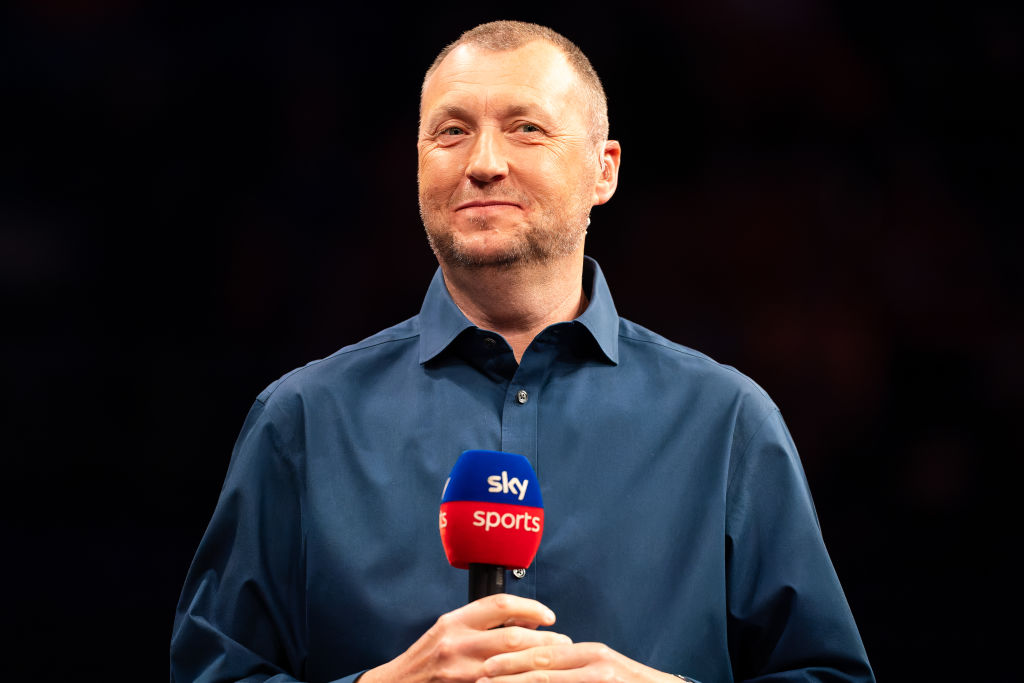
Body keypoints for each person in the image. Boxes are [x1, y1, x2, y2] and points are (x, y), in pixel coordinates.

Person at [171, 21, 874, 683]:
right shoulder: (302, 419)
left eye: (525, 128)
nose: (482, 163)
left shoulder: (727, 422)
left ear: (605, 170)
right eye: (451, 132)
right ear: (418, 166)